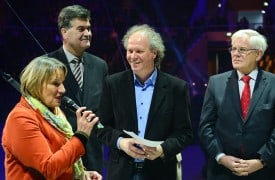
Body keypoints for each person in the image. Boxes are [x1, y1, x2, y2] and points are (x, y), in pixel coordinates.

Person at [97, 24, 193, 180]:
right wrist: (121, 143)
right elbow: (101, 127)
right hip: (122, 171)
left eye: (139, 51)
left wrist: (162, 149)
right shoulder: (113, 84)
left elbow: (184, 133)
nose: (133, 56)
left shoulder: (177, 87)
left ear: (154, 53)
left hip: (160, 172)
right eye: (130, 51)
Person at [198, 29, 275, 179]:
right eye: (233, 48)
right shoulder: (216, 83)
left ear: (258, 54)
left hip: (263, 171)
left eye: (242, 49)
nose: (235, 53)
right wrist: (221, 157)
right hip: (222, 171)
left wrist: (262, 161)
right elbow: (205, 126)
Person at [1, 56, 102, 179]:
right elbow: (48, 168)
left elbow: (62, 161)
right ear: (36, 84)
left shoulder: (55, 113)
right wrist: (81, 135)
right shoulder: (20, 119)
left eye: (62, 83)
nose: (63, 89)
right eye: (55, 84)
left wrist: (81, 175)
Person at [47, 5, 108, 173]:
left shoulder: (100, 65)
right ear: (64, 32)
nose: (88, 33)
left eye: (89, 28)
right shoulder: (45, 64)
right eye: (81, 29)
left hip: (94, 157)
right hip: (60, 154)